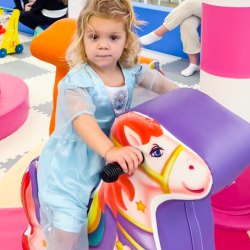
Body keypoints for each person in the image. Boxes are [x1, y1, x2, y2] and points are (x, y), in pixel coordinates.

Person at [36, 0, 178, 249]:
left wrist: (188, 98)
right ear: (82, 40)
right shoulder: (77, 82)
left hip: (115, 152)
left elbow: (161, 85)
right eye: (94, 37)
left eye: (113, 37)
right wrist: (110, 150)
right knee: (69, 222)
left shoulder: (131, 69)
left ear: (126, 40)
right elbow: (83, 121)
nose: (103, 45)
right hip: (75, 163)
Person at [139, 0, 202, 77]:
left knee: (189, 4)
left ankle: (158, 33)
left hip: (218, 9)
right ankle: (194, 64)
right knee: (187, 25)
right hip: (204, 8)